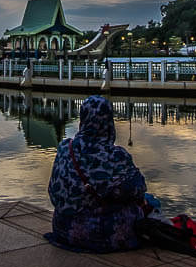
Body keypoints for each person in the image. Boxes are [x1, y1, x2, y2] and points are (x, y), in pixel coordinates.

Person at [47, 95, 149, 252]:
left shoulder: (64, 149)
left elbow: (53, 193)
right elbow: (139, 188)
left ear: (82, 119)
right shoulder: (115, 156)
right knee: (149, 201)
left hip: (62, 229)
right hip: (100, 237)